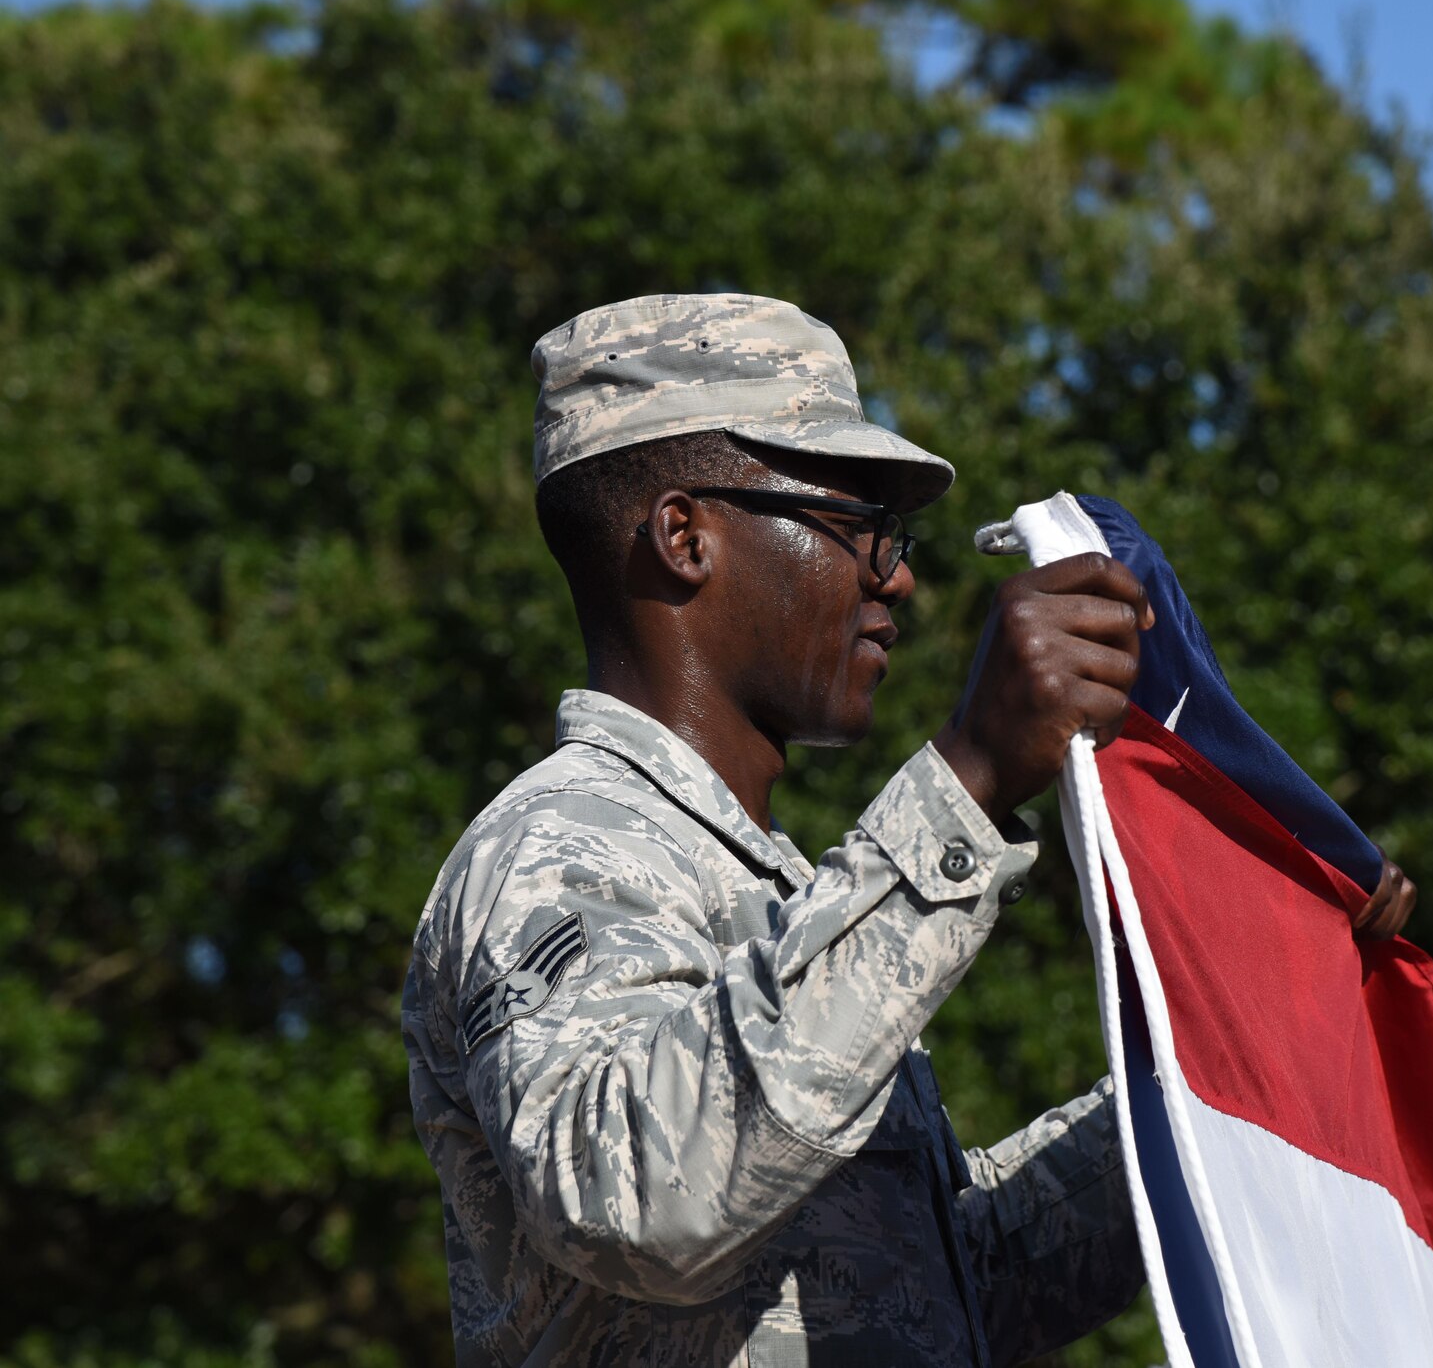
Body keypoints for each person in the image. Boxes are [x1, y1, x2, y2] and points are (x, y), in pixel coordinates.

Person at [401, 292, 1158, 1366]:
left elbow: (951, 1291)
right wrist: (972, 778)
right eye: (859, 526)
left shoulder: (786, 899)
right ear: (684, 536)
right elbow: (636, 1197)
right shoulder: (555, 844)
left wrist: (1209, 1080)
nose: (896, 575)